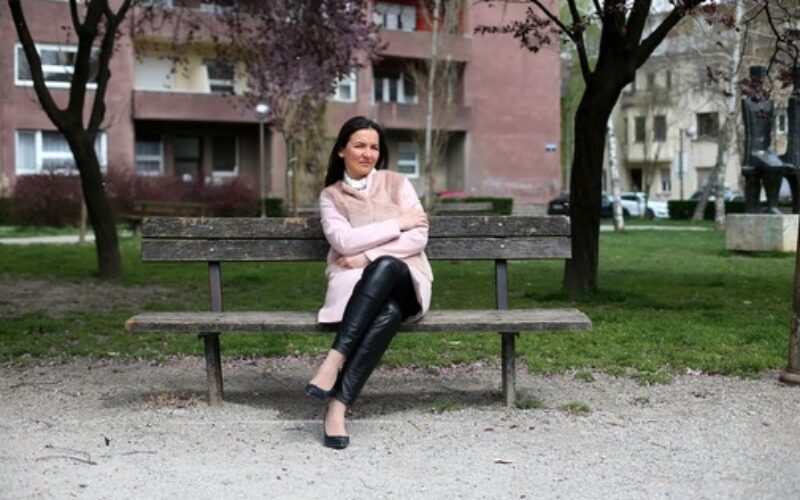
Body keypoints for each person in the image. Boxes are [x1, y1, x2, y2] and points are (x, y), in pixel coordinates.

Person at [305, 116, 433, 449]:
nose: (368, 153)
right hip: (361, 293)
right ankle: (337, 407)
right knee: (387, 312)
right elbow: (342, 241)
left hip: (408, 283)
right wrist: (397, 223)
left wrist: (367, 256)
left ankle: (333, 362)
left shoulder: (397, 183)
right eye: (359, 145)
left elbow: (418, 236)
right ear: (341, 150)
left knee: (386, 266)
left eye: (374, 147)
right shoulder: (332, 196)